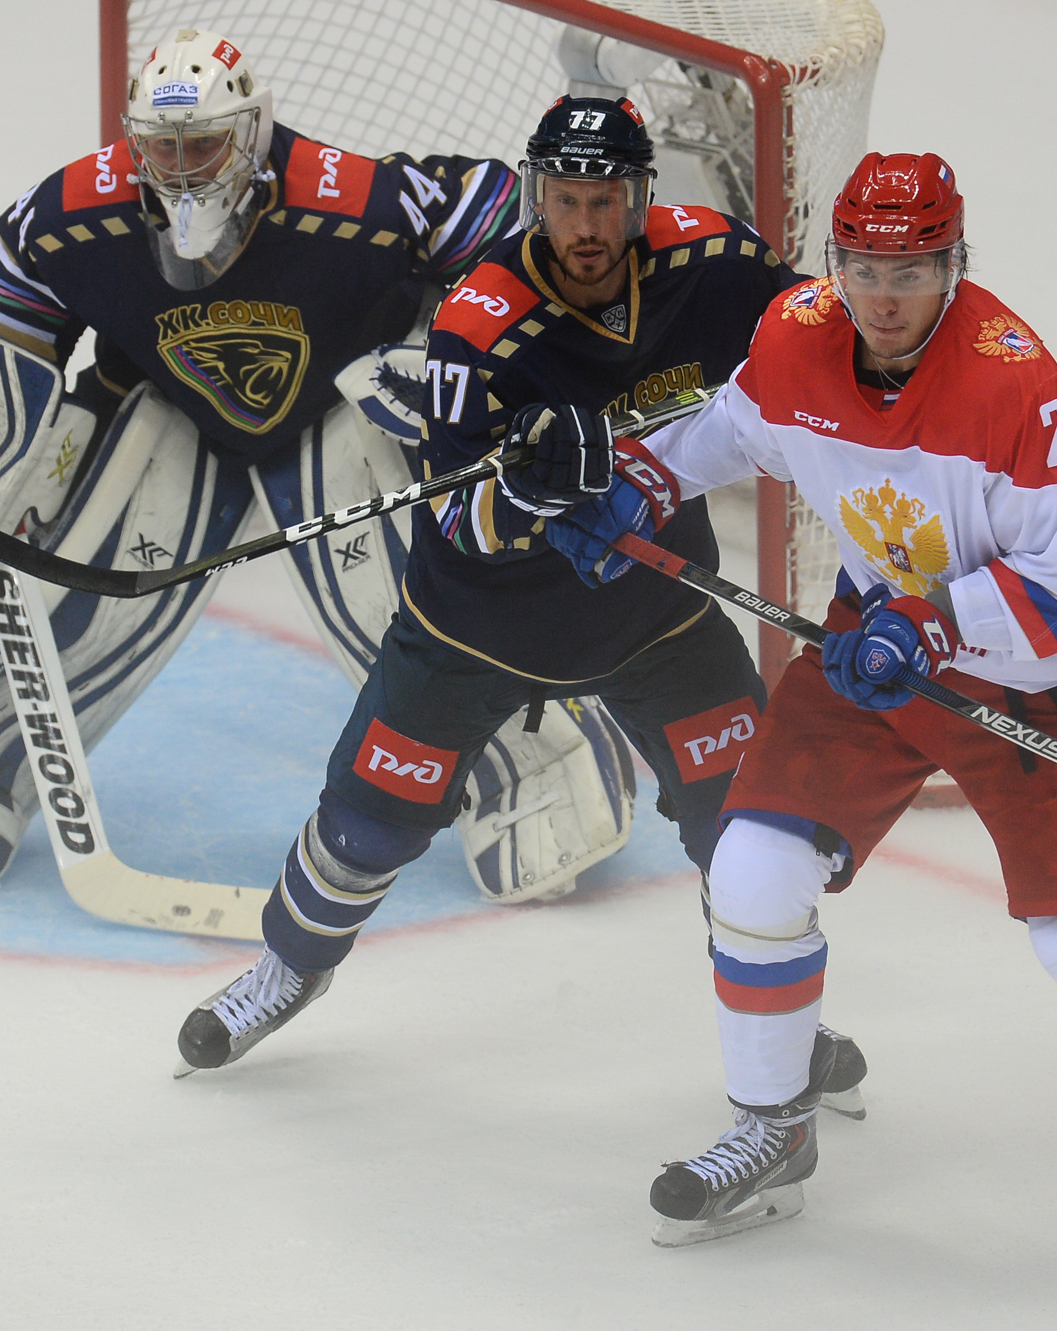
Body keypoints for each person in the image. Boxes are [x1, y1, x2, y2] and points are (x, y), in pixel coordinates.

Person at [616, 152, 1057, 1306]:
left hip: (1042, 678)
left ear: (953, 264)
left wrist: (940, 620)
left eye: (910, 270)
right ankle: (773, 1126)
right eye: (861, 267)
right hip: (880, 645)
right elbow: (738, 428)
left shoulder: (1012, 381)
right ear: (833, 262)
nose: (882, 295)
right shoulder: (797, 334)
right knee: (749, 869)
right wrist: (640, 480)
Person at [174, 97, 866, 1118]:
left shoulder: (717, 263)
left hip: (659, 616)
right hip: (476, 632)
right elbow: (458, 524)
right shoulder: (478, 322)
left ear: (641, 197)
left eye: (606, 200)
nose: (585, 224)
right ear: (537, 196)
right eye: (565, 199)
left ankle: (781, 1032)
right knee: (365, 829)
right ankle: (288, 968)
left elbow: (826, 353)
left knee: (746, 833)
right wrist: (527, 492)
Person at [0, 30, 633, 908]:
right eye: (163, 148)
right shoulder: (76, 210)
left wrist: (448, 354)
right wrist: (10, 443)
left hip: (343, 403)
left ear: (254, 129)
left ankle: (543, 769)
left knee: (402, 607)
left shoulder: (355, 198)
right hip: (167, 408)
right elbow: (3, 295)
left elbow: (507, 225)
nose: (182, 169)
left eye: (204, 144)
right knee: (85, 605)